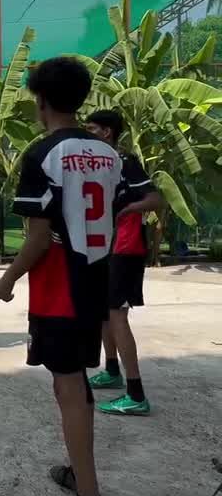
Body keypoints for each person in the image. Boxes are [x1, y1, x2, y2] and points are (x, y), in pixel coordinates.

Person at [0, 57, 123, 496]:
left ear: (41, 100)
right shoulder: (109, 154)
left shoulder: (43, 154)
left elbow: (39, 239)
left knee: (69, 387)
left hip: (59, 288)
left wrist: (8, 278)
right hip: (95, 278)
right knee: (76, 384)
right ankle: (79, 470)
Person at [86, 109, 161, 416]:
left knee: (117, 316)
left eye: (92, 128)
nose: (86, 133)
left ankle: (136, 394)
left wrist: (128, 210)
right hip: (106, 248)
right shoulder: (97, 164)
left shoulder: (124, 161)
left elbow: (155, 200)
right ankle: (112, 370)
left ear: (107, 132)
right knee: (104, 314)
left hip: (126, 248)